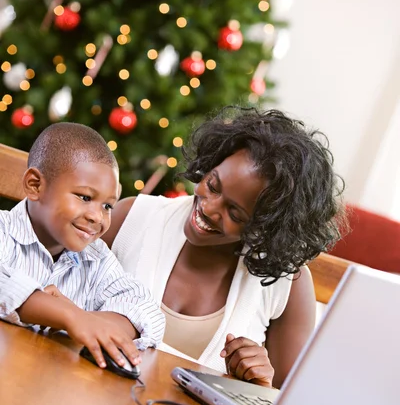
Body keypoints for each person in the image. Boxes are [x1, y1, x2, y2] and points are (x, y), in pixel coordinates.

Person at [103, 106, 346, 390]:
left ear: (265, 226)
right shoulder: (132, 218)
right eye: (213, 184)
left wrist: (261, 383)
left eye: (235, 213)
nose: (208, 207)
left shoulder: (287, 284)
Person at [0, 122, 165, 405]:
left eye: (108, 205)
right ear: (35, 185)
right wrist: (68, 315)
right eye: (85, 197)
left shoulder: (95, 259)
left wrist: (96, 320)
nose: (98, 217)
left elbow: (146, 307)